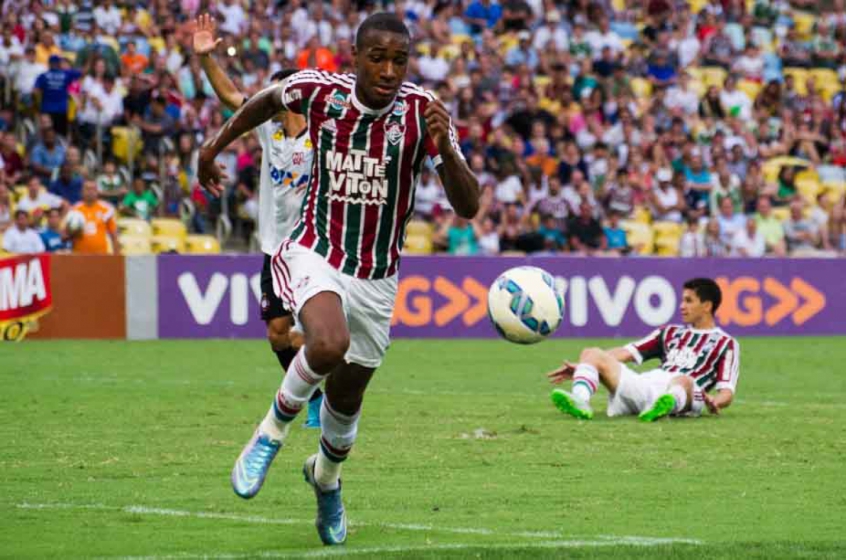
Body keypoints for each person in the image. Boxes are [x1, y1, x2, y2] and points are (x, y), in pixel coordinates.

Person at [196, 13, 479, 546]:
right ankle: (268, 434)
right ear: (354, 56)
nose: (389, 70)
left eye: (400, 60)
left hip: (377, 277)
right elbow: (264, 100)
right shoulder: (319, 93)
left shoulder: (424, 115)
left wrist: (443, 150)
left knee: (346, 405)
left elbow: (469, 205)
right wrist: (212, 149)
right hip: (314, 251)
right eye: (378, 57)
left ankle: (326, 481)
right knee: (327, 343)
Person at [192, 13, 323, 427]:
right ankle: (316, 391)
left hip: (314, 249)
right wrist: (207, 58)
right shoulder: (270, 130)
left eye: (280, 92)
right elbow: (232, 98)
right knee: (277, 335)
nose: (273, 99)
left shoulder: (322, 136)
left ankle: (324, 389)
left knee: (321, 336)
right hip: (274, 249)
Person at [548, 278, 739, 422]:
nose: (682, 306)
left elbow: (727, 390)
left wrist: (716, 401)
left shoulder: (725, 343)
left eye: (689, 301)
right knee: (590, 352)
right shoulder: (670, 332)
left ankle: (666, 405)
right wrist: (586, 366)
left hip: (689, 392)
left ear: (706, 306)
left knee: (684, 380)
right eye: (682, 300)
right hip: (647, 384)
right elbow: (626, 352)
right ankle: (580, 401)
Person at [70, 180, 120, 255]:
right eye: (87, 189)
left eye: (93, 189)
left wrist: (117, 256)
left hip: (101, 256)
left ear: (97, 192)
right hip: (79, 256)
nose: (90, 192)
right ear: (82, 192)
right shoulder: (74, 210)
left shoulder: (106, 209)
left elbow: (114, 235)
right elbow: (66, 234)